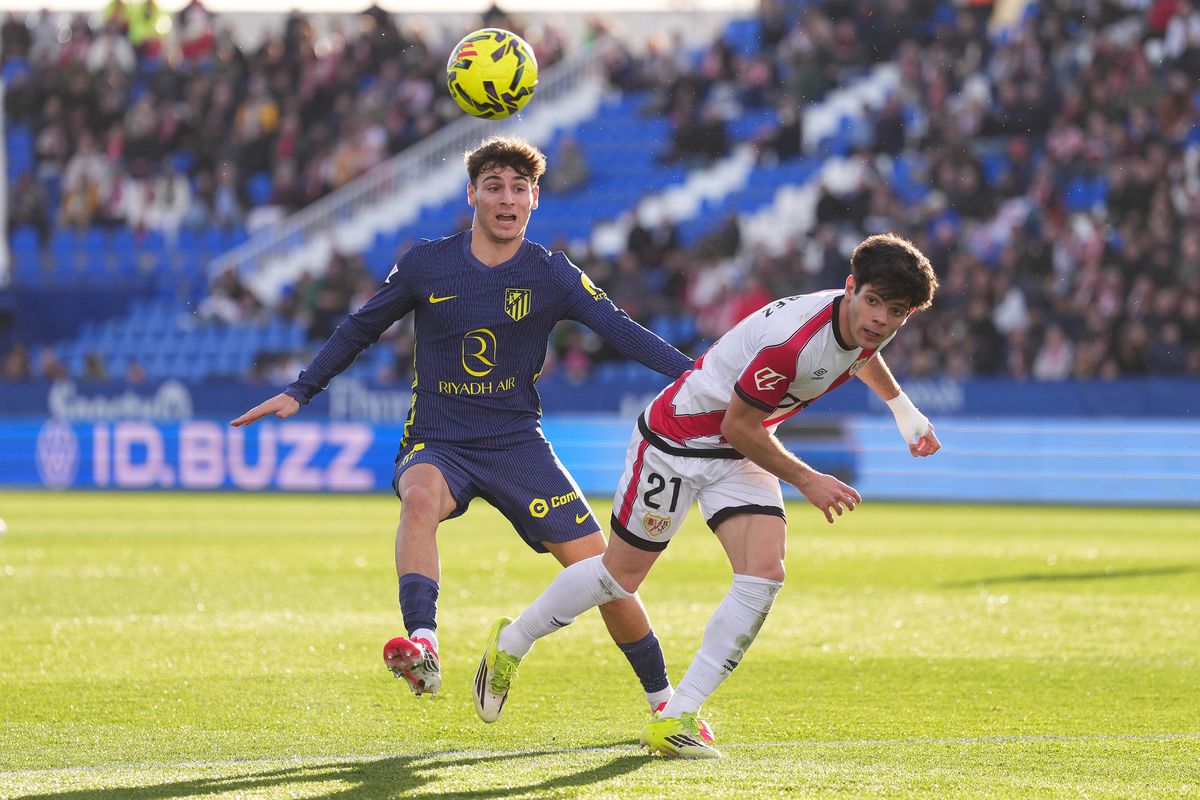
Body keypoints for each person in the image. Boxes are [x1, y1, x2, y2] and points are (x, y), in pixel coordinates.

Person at [230, 136, 704, 725]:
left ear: (534, 200)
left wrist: (699, 375)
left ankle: (667, 707)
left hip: (515, 444)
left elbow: (621, 329)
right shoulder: (428, 261)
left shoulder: (552, 273)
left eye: (519, 188)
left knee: (604, 575)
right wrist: (302, 389)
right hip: (438, 437)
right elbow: (360, 327)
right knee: (420, 497)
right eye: (495, 186)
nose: (507, 199)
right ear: (472, 195)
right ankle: (424, 644)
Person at [473, 232, 941, 758]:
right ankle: (512, 641)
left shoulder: (857, 321)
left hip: (738, 452)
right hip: (677, 443)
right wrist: (808, 479)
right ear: (851, 288)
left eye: (895, 311)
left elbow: (859, 351)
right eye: (873, 302)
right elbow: (740, 426)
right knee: (619, 577)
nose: (880, 320)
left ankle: (678, 715)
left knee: (764, 573)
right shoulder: (793, 342)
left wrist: (904, 410)